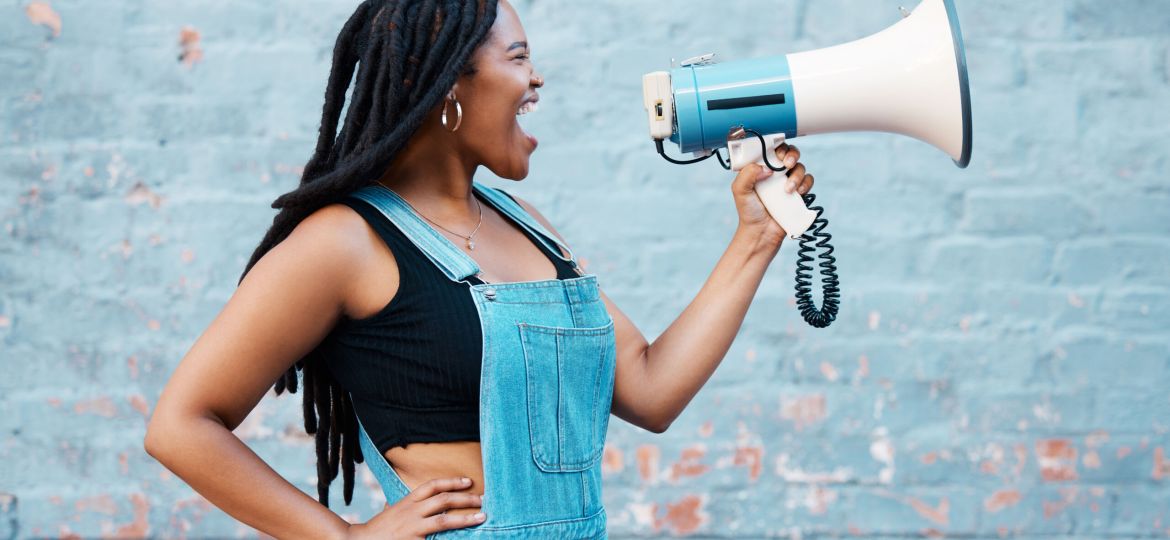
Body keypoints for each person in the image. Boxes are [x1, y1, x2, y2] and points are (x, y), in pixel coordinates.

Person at [143, 1, 814, 538]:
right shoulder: (344, 242)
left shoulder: (525, 222)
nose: (537, 78)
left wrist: (754, 238)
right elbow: (181, 424)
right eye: (518, 58)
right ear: (444, 85)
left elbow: (650, 391)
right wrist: (342, 538)